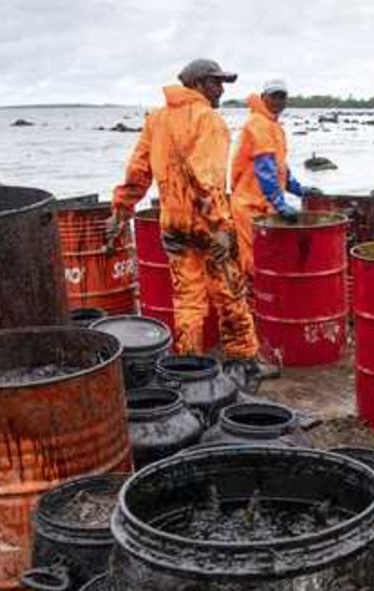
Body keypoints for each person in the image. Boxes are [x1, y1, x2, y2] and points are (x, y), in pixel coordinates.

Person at [109, 58, 266, 386]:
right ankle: (243, 362)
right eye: (215, 82)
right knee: (230, 292)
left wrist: (121, 208)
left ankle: (190, 369)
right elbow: (206, 178)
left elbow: (139, 170)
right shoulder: (209, 120)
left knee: (187, 298)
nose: (221, 89)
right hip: (208, 227)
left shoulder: (157, 119)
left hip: (174, 226)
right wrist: (222, 227)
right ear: (196, 84)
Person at [230, 78, 321, 279]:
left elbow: (279, 167)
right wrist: (281, 205)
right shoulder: (258, 124)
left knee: (267, 257)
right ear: (263, 97)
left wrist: (299, 190)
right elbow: (265, 169)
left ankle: (265, 300)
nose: (278, 101)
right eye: (274, 96)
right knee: (252, 259)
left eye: (282, 96)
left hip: (264, 204)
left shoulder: (273, 126)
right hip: (249, 204)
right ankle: (254, 303)